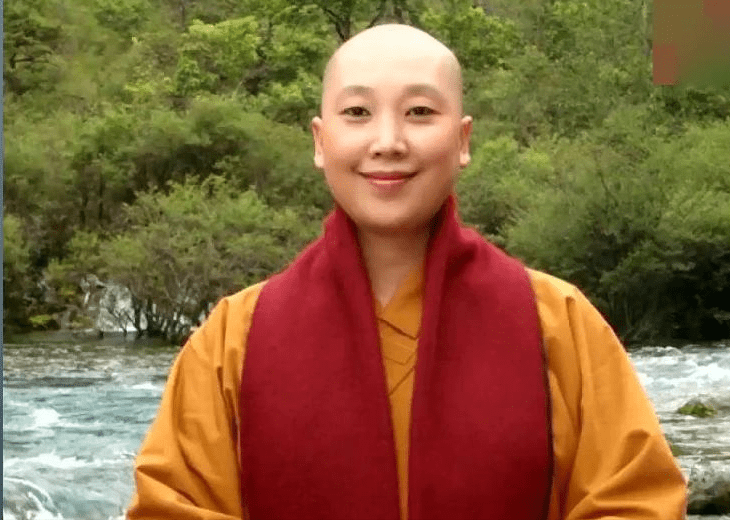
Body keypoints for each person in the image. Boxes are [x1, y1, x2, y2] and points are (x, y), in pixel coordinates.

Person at [127, 24, 687, 520]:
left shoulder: (559, 324)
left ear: (462, 140)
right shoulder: (233, 339)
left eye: (420, 112)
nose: (388, 142)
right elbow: (172, 509)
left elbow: (635, 502)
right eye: (357, 113)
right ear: (320, 141)